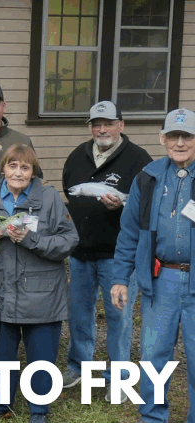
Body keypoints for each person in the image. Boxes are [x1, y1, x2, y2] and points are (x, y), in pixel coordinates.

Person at [0, 145, 77, 423]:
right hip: (4, 293)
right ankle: (0, 402)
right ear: (3, 169)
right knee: (3, 355)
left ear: (33, 171)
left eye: (25, 167)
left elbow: (68, 241)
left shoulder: (48, 197)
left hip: (43, 293)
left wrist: (31, 239)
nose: (17, 173)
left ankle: (39, 408)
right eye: (12, 166)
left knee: (41, 355)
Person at [111, 108, 195, 423]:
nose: (179, 142)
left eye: (186, 136)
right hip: (161, 281)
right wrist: (120, 277)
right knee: (153, 353)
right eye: (172, 136)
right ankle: (154, 417)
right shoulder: (148, 177)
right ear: (162, 139)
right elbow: (129, 232)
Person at [60, 101, 151, 401]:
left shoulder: (139, 160)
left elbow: (148, 208)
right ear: (90, 127)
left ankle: (119, 377)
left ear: (121, 125)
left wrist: (123, 205)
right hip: (82, 252)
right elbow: (69, 193)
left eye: (109, 123)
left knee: (119, 317)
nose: (102, 129)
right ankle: (79, 367)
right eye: (96, 123)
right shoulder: (77, 156)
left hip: (119, 258)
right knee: (80, 313)